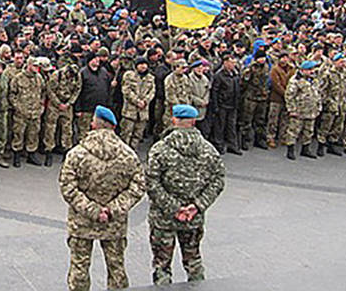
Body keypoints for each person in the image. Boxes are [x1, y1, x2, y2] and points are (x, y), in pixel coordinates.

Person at [59, 105, 145, 291]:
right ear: (113, 127)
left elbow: (68, 188)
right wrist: (113, 209)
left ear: (93, 125)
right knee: (117, 269)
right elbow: (138, 186)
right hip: (114, 224)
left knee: (79, 269)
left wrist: (93, 210)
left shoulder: (76, 154)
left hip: (82, 223)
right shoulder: (128, 155)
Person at [147, 104, 225, 286]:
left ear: (174, 120)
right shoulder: (208, 150)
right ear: (194, 122)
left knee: (161, 265)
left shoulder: (160, 149)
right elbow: (218, 180)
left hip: (163, 218)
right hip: (193, 218)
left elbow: (151, 183)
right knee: (193, 261)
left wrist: (174, 208)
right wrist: (197, 206)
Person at [9, 57, 46, 167]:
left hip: (35, 111)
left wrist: (41, 105)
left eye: (37, 66)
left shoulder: (39, 78)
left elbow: (43, 92)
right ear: (29, 65)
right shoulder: (18, 78)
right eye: (34, 66)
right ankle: (17, 154)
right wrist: (18, 107)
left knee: (33, 133)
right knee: (18, 133)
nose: (36, 68)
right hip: (22, 111)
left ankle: (31, 154)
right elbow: (12, 94)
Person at [43, 63, 82, 165]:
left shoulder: (77, 77)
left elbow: (77, 90)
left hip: (67, 105)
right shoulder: (57, 75)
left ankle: (66, 151)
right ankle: (49, 151)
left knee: (67, 129)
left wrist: (69, 103)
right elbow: (50, 90)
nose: (71, 77)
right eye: (70, 75)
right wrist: (58, 103)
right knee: (50, 128)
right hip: (54, 104)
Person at [119, 56, 155, 151]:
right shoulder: (129, 75)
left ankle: (133, 152)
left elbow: (152, 92)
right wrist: (137, 101)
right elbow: (126, 90)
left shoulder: (150, 78)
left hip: (143, 112)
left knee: (138, 135)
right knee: (126, 134)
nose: (143, 66)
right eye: (141, 64)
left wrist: (145, 101)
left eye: (145, 64)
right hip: (130, 112)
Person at [240, 50, 270, 150]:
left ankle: (259, 139)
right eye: (260, 58)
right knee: (247, 120)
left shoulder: (266, 67)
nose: (262, 60)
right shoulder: (250, 68)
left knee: (260, 120)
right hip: (251, 97)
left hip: (262, 97)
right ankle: (245, 140)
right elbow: (243, 82)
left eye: (263, 57)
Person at [210, 53, 240, 154]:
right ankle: (219, 144)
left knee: (231, 126)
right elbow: (215, 91)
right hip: (222, 104)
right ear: (225, 63)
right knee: (220, 126)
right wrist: (216, 106)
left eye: (234, 63)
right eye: (231, 63)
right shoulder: (219, 75)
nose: (233, 65)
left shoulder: (235, 73)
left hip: (232, 104)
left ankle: (232, 145)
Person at [267, 51, 293, 149]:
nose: (285, 59)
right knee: (273, 118)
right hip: (276, 98)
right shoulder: (275, 69)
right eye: (283, 57)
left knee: (285, 119)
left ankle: (283, 136)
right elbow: (276, 84)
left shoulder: (292, 69)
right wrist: (286, 94)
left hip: (288, 98)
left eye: (286, 57)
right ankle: (271, 137)